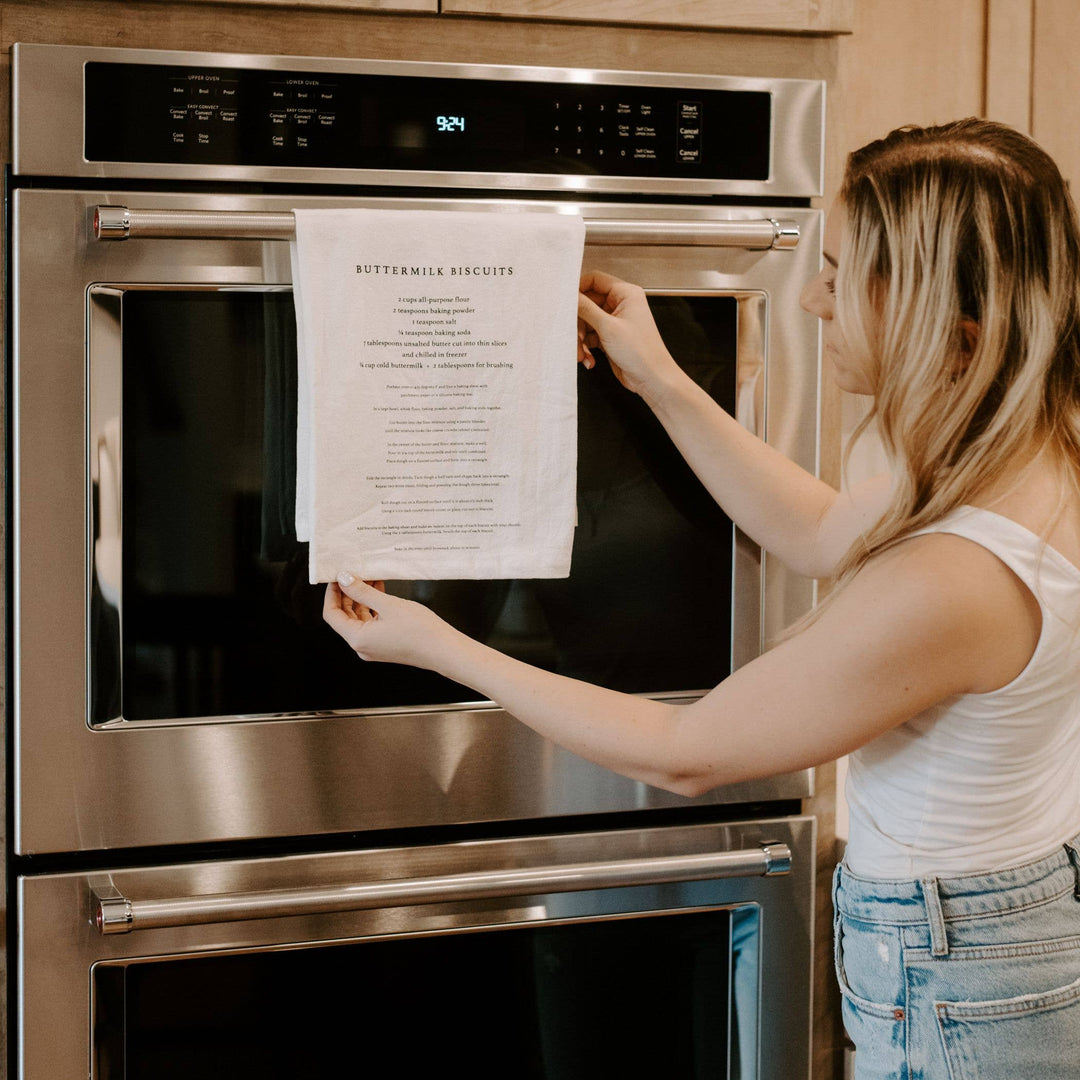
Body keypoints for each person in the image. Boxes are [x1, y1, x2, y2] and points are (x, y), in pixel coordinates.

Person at [324, 119, 1080, 1078]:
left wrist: (438, 644)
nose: (811, 299)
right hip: (979, 938)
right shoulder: (1024, 452)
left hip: (958, 983)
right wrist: (662, 379)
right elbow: (817, 531)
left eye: (844, 277)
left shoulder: (961, 577)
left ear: (948, 329)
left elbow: (688, 754)